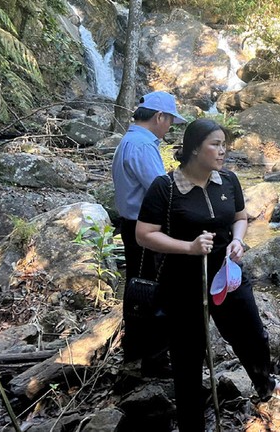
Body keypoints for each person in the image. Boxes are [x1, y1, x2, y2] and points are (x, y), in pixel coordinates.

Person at [135, 119, 280, 431]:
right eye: (216, 144)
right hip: (182, 283)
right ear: (195, 148)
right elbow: (144, 234)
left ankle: (264, 384)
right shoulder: (166, 187)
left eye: (225, 144)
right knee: (188, 357)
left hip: (227, 274)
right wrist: (188, 247)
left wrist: (237, 239)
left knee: (252, 334)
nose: (223, 151)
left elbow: (239, 217)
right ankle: (191, 424)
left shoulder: (229, 181)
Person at [112, 91, 186, 376]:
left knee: (137, 287)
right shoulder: (142, 146)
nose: (169, 127)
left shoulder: (128, 141)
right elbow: (162, 189)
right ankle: (154, 359)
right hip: (145, 228)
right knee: (153, 290)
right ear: (159, 117)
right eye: (169, 120)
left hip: (131, 225)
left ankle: (136, 349)